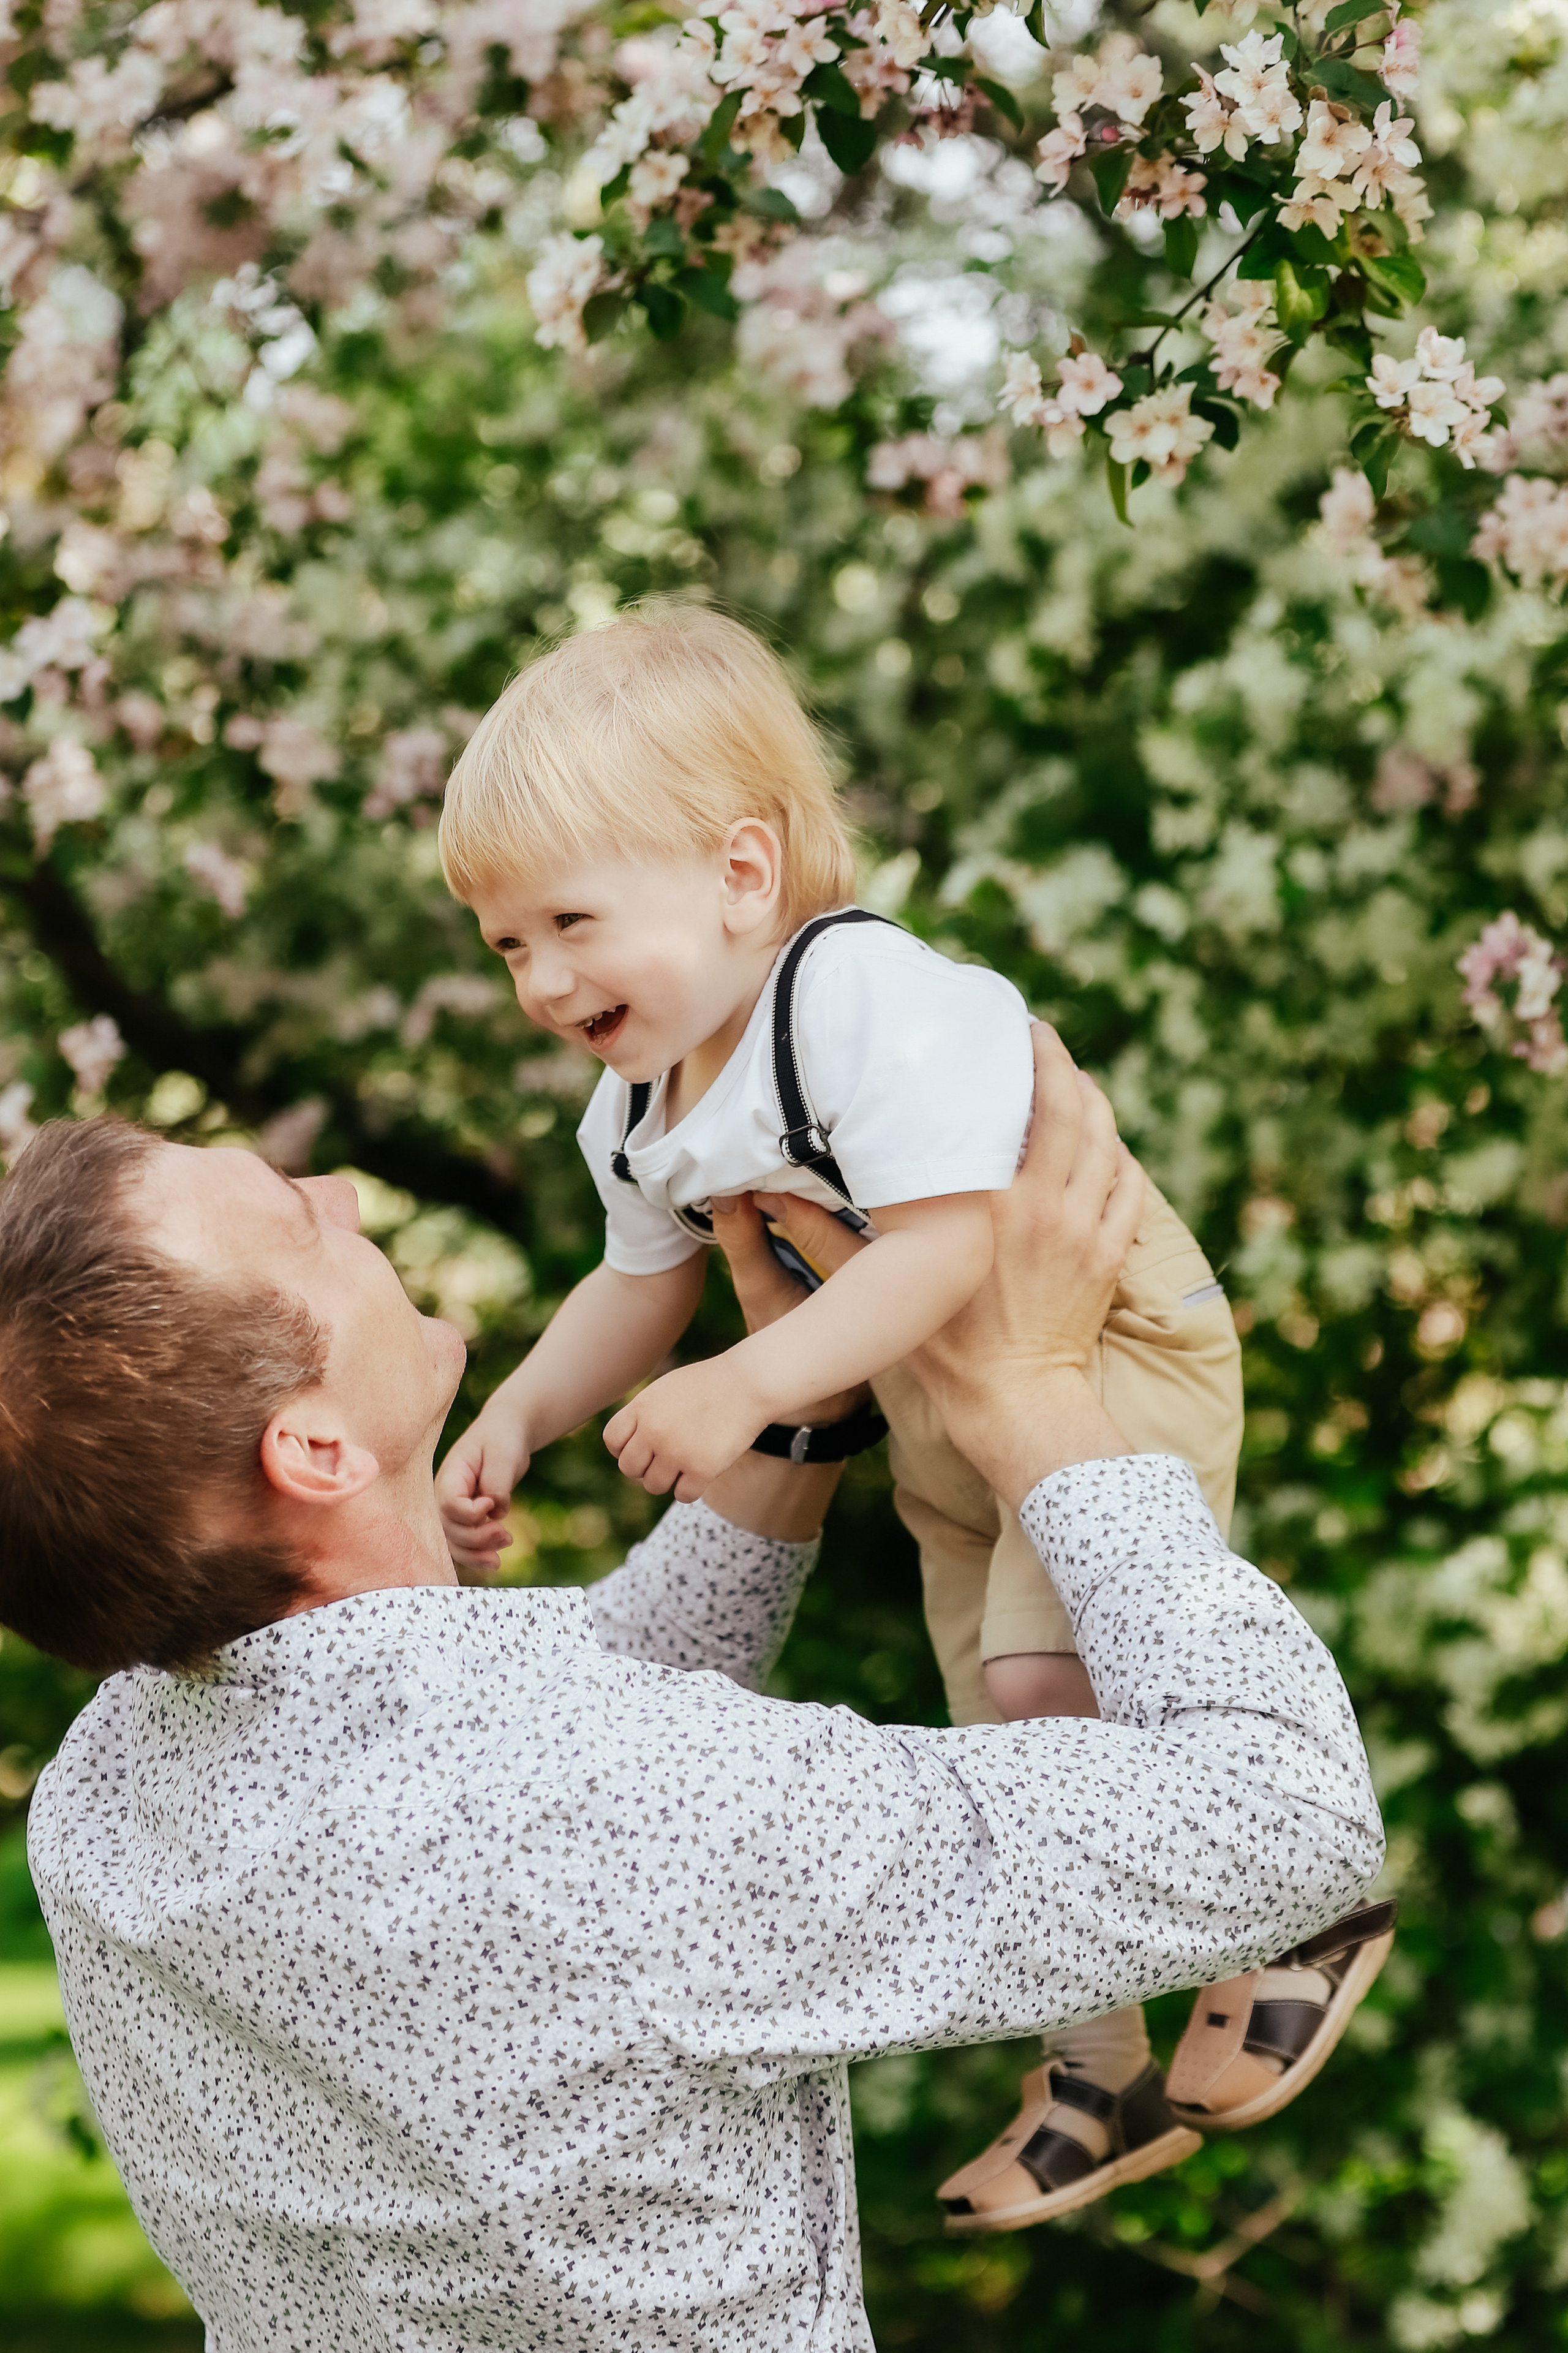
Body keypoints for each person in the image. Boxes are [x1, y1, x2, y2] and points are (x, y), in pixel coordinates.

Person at [7, 1027, 1384, 2346]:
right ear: (313, 1448)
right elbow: (1287, 1817)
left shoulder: (102, 1798)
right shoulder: (607, 1808)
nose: (342, 1192)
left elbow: (587, 1728)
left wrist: (801, 1411)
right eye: (296, 1222)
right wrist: (1025, 1385)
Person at [429, 603, 1373, 2223]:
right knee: (997, 1729)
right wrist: (521, 1409)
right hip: (931, 1404)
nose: (543, 977)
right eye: (508, 943)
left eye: (571, 921)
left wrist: (749, 1382)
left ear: (741, 874)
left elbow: (950, 1249)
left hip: (1090, 1343)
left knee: (1041, 1680)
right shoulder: (641, 1101)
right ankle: (1098, 2073)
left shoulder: (851, 997)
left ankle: (1301, 1906)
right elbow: (635, 1283)